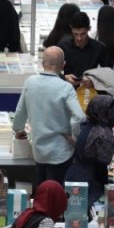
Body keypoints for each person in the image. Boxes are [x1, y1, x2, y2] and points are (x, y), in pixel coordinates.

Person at [13, 47, 85, 185]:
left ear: (42, 63)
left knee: (41, 189)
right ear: (63, 65)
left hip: (38, 149)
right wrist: (74, 137)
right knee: (55, 191)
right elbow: (79, 117)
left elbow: (20, 111)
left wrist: (18, 130)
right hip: (61, 151)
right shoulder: (66, 88)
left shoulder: (30, 82)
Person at [67, 96, 114, 203]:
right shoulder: (104, 134)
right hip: (91, 181)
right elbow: (105, 161)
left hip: (75, 173)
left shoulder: (90, 125)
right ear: (108, 113)